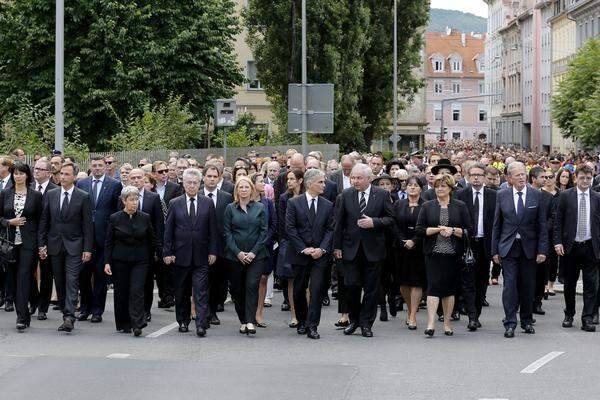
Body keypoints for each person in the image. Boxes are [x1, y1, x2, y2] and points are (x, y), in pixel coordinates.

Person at [333, 163, 394, 338]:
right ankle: (354, 320)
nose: (355, 181)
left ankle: (366, 323)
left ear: (369, 179)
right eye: (353, 177)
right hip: (350, 249)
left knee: (371, 289)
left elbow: (391, 218)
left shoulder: (382, 194)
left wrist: (374, 222)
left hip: (373, 250)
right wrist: (336, 247)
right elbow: (338, 223)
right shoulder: (346, 195)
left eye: (359, 178)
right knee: (351, 286)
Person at [492, 162, 548, 338]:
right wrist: (494, 251)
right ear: (509, 178)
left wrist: (542, 250)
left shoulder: (536, 195)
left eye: (523, 174)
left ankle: (526, 320)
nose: (522, 178)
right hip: (508, 248)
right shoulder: (502, 195)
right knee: (510, 286)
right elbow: (496, 225)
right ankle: (510, 323)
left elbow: (542, 225)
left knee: (528, 286)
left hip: (529, 248)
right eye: (517, 175)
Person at [38, 162, 93, 333]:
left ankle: (69, 316)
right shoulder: (51, 195)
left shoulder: (83, 196)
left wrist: (87, 248)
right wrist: (42, 244)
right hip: (55, 245)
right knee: (60, 282)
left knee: (72, 280)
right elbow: (44, 221)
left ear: (75, 177)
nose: (63, 177)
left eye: (67, 174)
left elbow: (87, 226)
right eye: (61, 174)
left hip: (75, 246)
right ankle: (65, 312)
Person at [163, 168, 218, 337]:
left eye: (195, 183)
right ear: (183, 184)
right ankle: (183, 320)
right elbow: (169, 231)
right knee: (181, 291)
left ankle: (201, 324)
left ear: (199, 184)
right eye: (189, 183)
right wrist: (167, 252)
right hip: (180, 256)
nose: (192, 186)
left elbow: (213, 230)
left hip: (201, 256)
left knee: (201, 291)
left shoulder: (207, 203)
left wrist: (213, 251)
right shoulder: (175, 203)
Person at [416, 174, 471, 337]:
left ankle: (447, 323)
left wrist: (453, 230)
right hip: (433, 253)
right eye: (437, 186)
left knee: (449, 289)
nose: (440, 189)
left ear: (450, 189)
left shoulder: (460, 206)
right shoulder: (427, 206)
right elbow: (419, 230)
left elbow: (469, 230)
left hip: (453, 254)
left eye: (443, 186)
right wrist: (438, 229)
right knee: (433, 287)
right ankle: (431, 324)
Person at [285, 169, 334, 339]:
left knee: (317, 290)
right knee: (298, 289)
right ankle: (302, 321)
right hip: (300, 254)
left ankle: (313, 325)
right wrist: (303, 248)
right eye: (320, 182)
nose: (324, 185)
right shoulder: (294, 203)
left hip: (320, 255)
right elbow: (290, 228)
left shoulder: (328, 205)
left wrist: (322, 249)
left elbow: (330, 229)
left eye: (324, 182)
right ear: (309, 183)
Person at [104, 186, 158, 336]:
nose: (134, 203)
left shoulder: (144, 217)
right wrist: (107, 262)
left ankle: (137, 323)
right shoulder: (115, 218)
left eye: (136, 199)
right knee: (121, 291)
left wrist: (160, 256)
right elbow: (109, 242)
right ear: (123, 201)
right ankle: (123, 323)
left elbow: (152, 240)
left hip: (140, 260)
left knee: (137, 290)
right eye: (131, 200)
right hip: (120, 260)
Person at [553, 165, 600, 332]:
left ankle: (587, 318)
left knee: (590, 284)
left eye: (589, 178)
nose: (585, 181)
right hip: (570, 247)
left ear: (592, 178)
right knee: (569, 284)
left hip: (590, 247)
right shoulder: (566, 196)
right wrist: (557, 242)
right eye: (582, 178)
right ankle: (569, 314)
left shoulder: (597, 197)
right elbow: (558, 221)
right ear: (576, 178)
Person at [76, 156, 121, 323]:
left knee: (100, 277)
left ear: (105, 167)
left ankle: (97, 311)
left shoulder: (114, 185)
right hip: (85, 238)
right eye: (94, 165)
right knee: (83, 275)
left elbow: (117, 212)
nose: (97, 168)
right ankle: (85, 308)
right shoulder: (82, 184)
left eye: (100, 165)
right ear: (90, 166)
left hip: (104, 237)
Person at [223, 176, 268, 335]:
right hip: (234, 256)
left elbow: (264, 232)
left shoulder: (260, 207)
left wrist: (253, 252)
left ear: (251, 189)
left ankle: (250, 321)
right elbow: (227, 233)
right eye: (240, 187)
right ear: (236, 190)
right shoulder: (230, 208)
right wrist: (238, 253)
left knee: (251, 286)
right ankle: (243, 319)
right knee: (237, 289)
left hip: (257, 256)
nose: (243, 190)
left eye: (246, 187)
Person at [0, 162, 43, 331]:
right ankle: (32, 302)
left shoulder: (36, 195)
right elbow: (0, 219)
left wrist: (41, 245)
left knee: (24, 276)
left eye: (21, 173)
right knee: (14, 278)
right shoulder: (5, 194)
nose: (18, 176)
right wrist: (10, 222)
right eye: (15, 173)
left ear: (27, 175)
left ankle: (22, 317)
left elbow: (41, 222)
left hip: (29, 243)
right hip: (9, 243)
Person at [455, 163, 497, 331]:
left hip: (485, 244)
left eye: (480, 175)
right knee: (468, 281)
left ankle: (477, 313)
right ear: (468, 176)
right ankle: (471, 316)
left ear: (485, 176)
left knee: (481, 281)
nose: (476, 178)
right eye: (473, 175)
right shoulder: (460, 195)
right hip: (467, 244)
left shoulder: (493, 195)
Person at [126, 169, 164, 322]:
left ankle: (145, 310)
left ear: (144, 179)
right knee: (131, 282)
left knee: (147, 281)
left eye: (139, 177)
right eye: (133, 178)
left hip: (147, 247)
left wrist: (158, 248)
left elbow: (159, 224)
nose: (136, 180)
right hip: (127, 247)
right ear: (129, 179)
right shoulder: (123, 197)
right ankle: (133, 310)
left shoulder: (153, 198)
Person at [201, 162, 233, 327]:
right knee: (202, 282)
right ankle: (202, 311)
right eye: (209, 176)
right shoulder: (197, 194)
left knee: (217, 282)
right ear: (203, 177)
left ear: (219, 178)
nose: (212, 179)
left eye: (215, 177)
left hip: (220, 247)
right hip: (200, 247)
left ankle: (212, 311)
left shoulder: (226, 197)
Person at [392, 176, 425, 330]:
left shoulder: (426, 205)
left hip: (419, 248)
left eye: (416, 185)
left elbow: (427, 225)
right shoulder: (399, 204)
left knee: (417, 282)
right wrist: (402, 240)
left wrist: (414, 240)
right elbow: (394, 224)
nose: (412, 187)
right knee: (403, 282)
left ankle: (412, 315)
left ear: (421, 188)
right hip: (401, 247)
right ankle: (411, 308)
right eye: (409, 185)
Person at [29, 158, 58, 320]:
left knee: (46, 274)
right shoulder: (29, 188)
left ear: (48, 172)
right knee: (26, 272)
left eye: (40, 169)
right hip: (29, 237)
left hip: (48, 238)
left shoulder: (55, 190)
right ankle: (33, 300)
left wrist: (46, 242)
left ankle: (43, 306)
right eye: (35, 168)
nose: (36, 171)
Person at [276, 169, 304, 327]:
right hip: (289, 243)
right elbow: (283, 224)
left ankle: (306, 315)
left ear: (300, 180)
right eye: (288, 179)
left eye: (292, 179)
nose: (289, 182)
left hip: (308, 243)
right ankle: (295, 316)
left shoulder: (309, 196)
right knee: (291, 281)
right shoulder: (284, 198)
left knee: (306, 283)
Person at [249, 173, 277, 328]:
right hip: (248, 248)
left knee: (262, 279)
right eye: (260, 181)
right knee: (249, 282)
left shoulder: (267, 202)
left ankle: (259, 313)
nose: (264, 183)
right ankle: (248, 314)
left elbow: (273, 224)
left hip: (264, 248)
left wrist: (264, 241)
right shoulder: (246, 202)